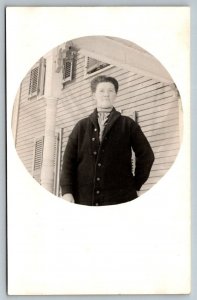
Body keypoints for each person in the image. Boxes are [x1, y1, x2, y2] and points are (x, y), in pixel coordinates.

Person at [60, 75, 154, 206]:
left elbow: (146, 156)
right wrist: (67, 191)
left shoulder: (128, 124)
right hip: (84, 198)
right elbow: (68, 161)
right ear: (94, 95)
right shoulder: (81, 126)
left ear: (116, 94)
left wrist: (135, 185)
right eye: (101, 91)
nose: (106, 95)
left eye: (111, 91)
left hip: (119, 199)